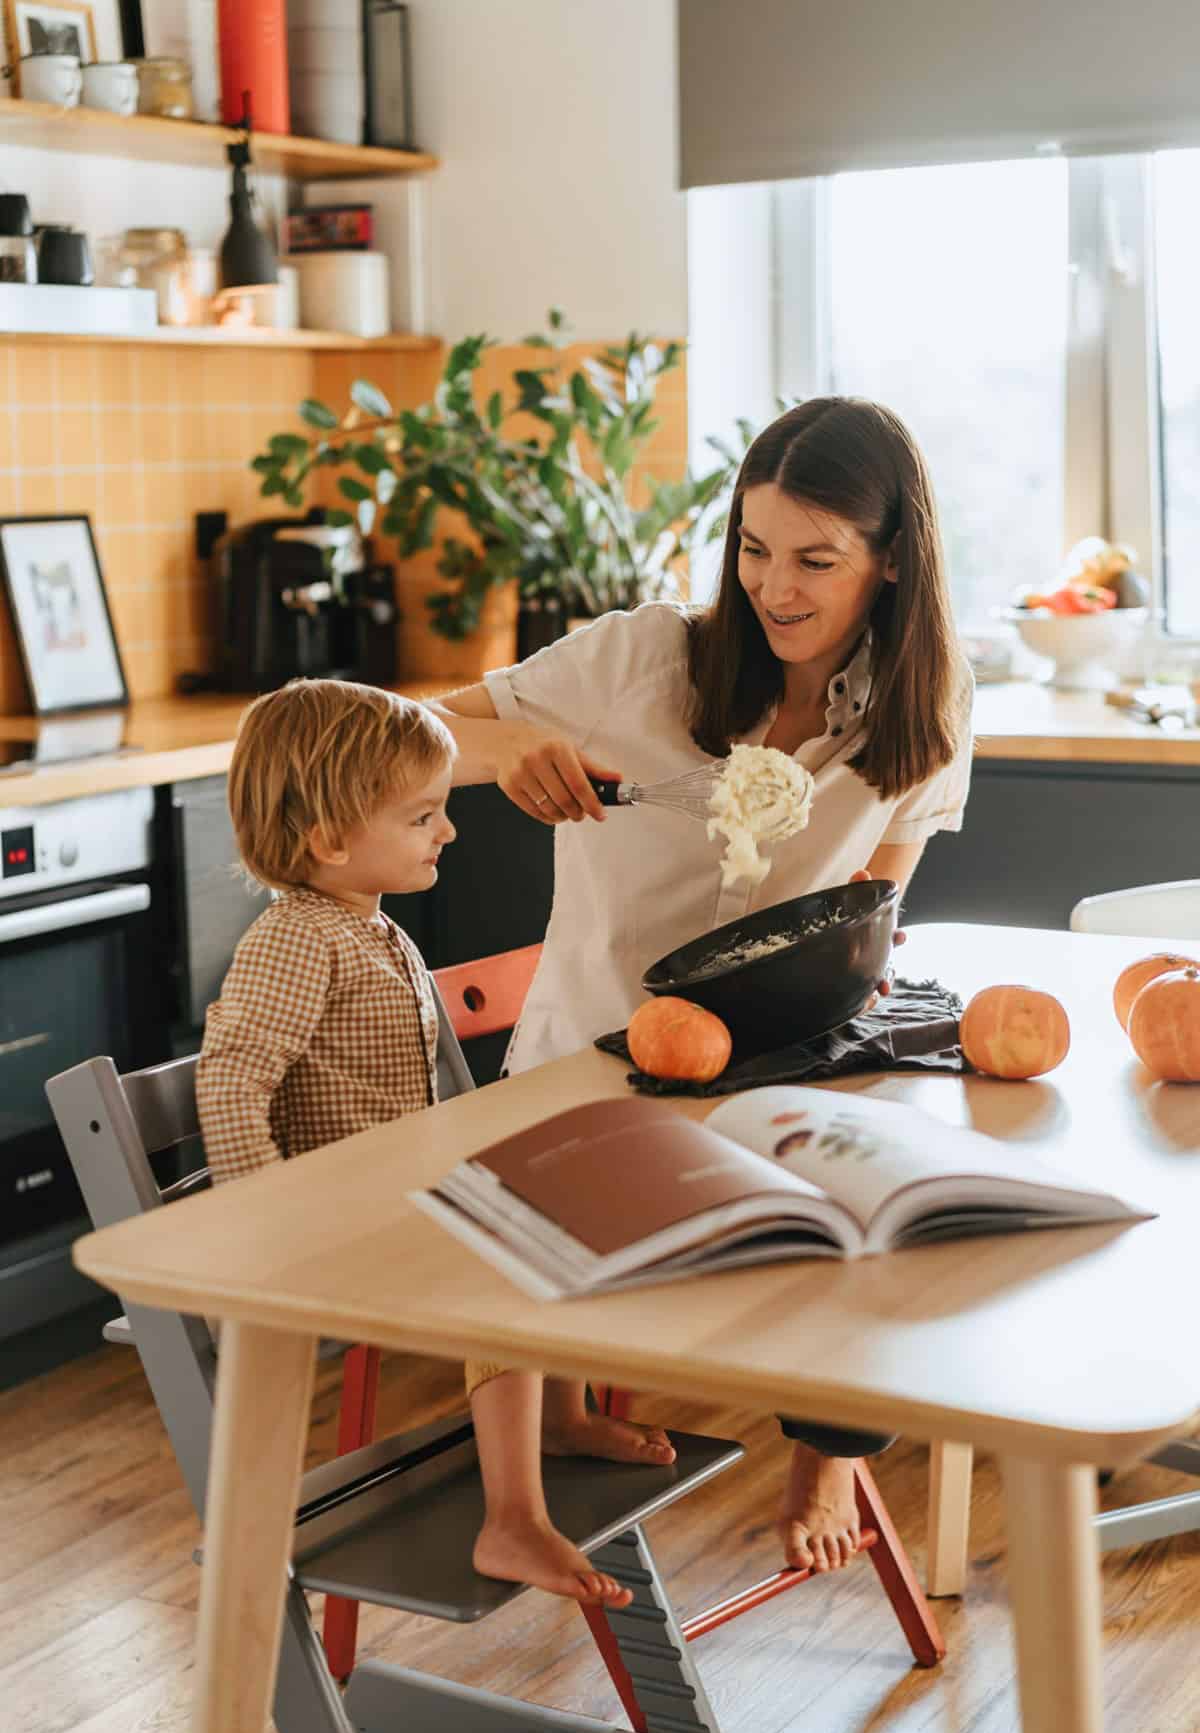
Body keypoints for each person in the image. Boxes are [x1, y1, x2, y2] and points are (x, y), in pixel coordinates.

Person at [432, 396, 974, 1575]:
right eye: (755, 548)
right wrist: (501, 749)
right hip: (588, 1064)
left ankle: (829, 1450)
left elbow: (868, 916)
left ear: (890, 563)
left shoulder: (925, 709)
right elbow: (397, 734)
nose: (776, 588)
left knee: (902, 1202)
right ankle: (527, 1474)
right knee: (520, 1193)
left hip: (769, 1071)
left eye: (816, 560)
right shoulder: (637, 660)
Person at [195, 678, 674, 1610]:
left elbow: (426, 1078)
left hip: (398, 1189)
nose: (447, 831)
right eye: (422, 816)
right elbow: (229, 1077)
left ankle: (563, 1415)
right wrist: (264, 1221)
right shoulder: (297, 941)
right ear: (330, 839)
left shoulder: (368, 926)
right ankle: (513, 1517)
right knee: (503, 1259)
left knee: (561, 1201)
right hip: (343, 1218)